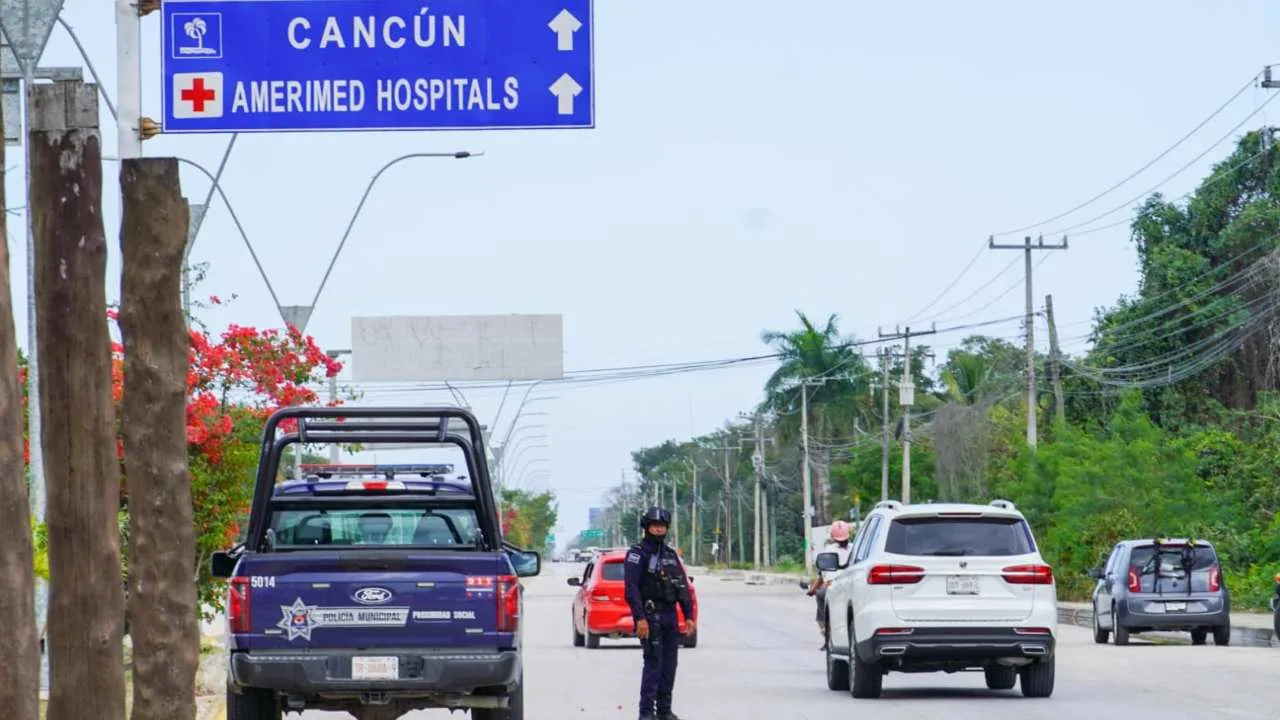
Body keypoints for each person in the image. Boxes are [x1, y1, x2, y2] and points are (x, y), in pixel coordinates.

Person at [624, 507, 696, 720]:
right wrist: (640, 619)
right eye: (654, 525)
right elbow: (631, 589)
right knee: (653, 664)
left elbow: (682, 586)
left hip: (670, 616)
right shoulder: (637, 554)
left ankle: (664, 711)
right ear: (646, 527)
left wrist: (689, 615)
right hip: (650, 616)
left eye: (662, 526)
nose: (658, 529)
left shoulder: (671, 555)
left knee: (670, 665)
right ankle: (646, 712)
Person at [807, 520, 854, 649]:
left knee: (820, 594)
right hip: (852, 586)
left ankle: (827, 631)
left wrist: (812, 590)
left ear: (833, 536)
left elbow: (821, 575)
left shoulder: (829, 550)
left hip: (833, 586)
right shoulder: (855, 548)